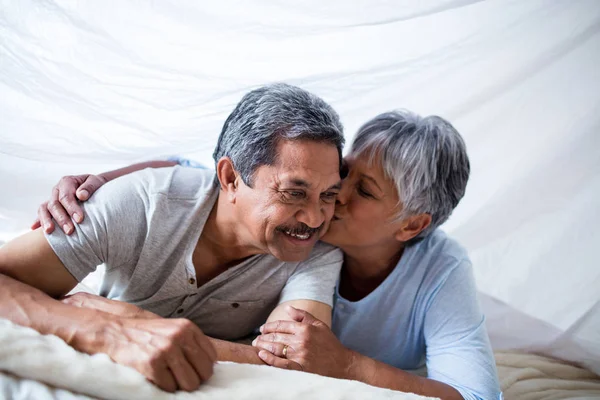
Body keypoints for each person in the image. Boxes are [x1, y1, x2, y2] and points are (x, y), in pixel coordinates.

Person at [39, 109, 502, 399]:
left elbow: (477, 396)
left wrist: (348, 366)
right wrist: (96, 183)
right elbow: (211, 176)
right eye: (343, 175)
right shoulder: (307, 220)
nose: (332, 197)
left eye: (362, 191)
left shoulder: (441, 270)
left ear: (413, 224)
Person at [0, 83, 346, 393]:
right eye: (293, 193)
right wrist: (102, 329)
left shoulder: (317, 251)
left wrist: (134, 321)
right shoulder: (139, 203)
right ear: (230, 178)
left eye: (329, 195)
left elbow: (293, 362)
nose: (315, 219)